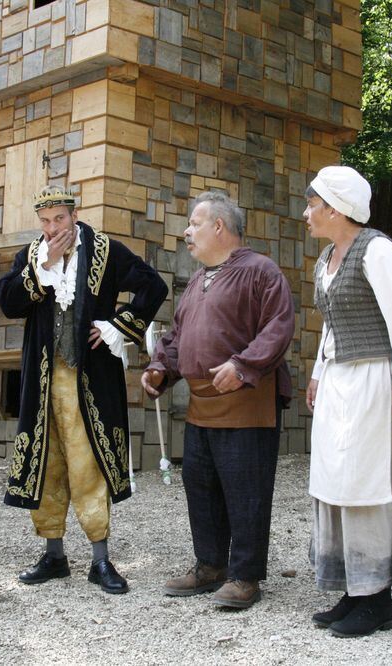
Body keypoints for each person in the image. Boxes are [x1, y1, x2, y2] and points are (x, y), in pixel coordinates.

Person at [0, 185, 167, 594]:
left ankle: (100, 560)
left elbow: (152, 287)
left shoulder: (105, 250)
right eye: (46, 221)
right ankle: (54, 555)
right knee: (47, 462)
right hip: (43, 381)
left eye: (59, 219)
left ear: (74, 214)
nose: (53, 228)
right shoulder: (34, 255)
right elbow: (8, 301)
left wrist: (118, 326)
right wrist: (43, 265)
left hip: (91, 379)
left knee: (88, 463)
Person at [302, 165, 392, 637]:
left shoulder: (378, 250)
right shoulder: (326, 258)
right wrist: (318, 371)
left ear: (336, 207)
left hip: (376, 382)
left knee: (367, 484)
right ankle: (355, 585)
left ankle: (377, 599)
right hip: (341, 381)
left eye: (312, 204)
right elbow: (332, 323)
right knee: (339, 481)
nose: (306, 212)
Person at [142, 191, 295, 609]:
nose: (187, 232)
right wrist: (162, 369)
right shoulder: (196, 281)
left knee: (245, 491)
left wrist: (244, 365)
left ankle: (245, 577)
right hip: (201, 407)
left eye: (194, 224)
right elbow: (176, 338)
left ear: (219, 227)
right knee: (202, 487)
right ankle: (210, 566)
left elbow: (278, 329)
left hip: (246, 404)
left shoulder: (261, 272)